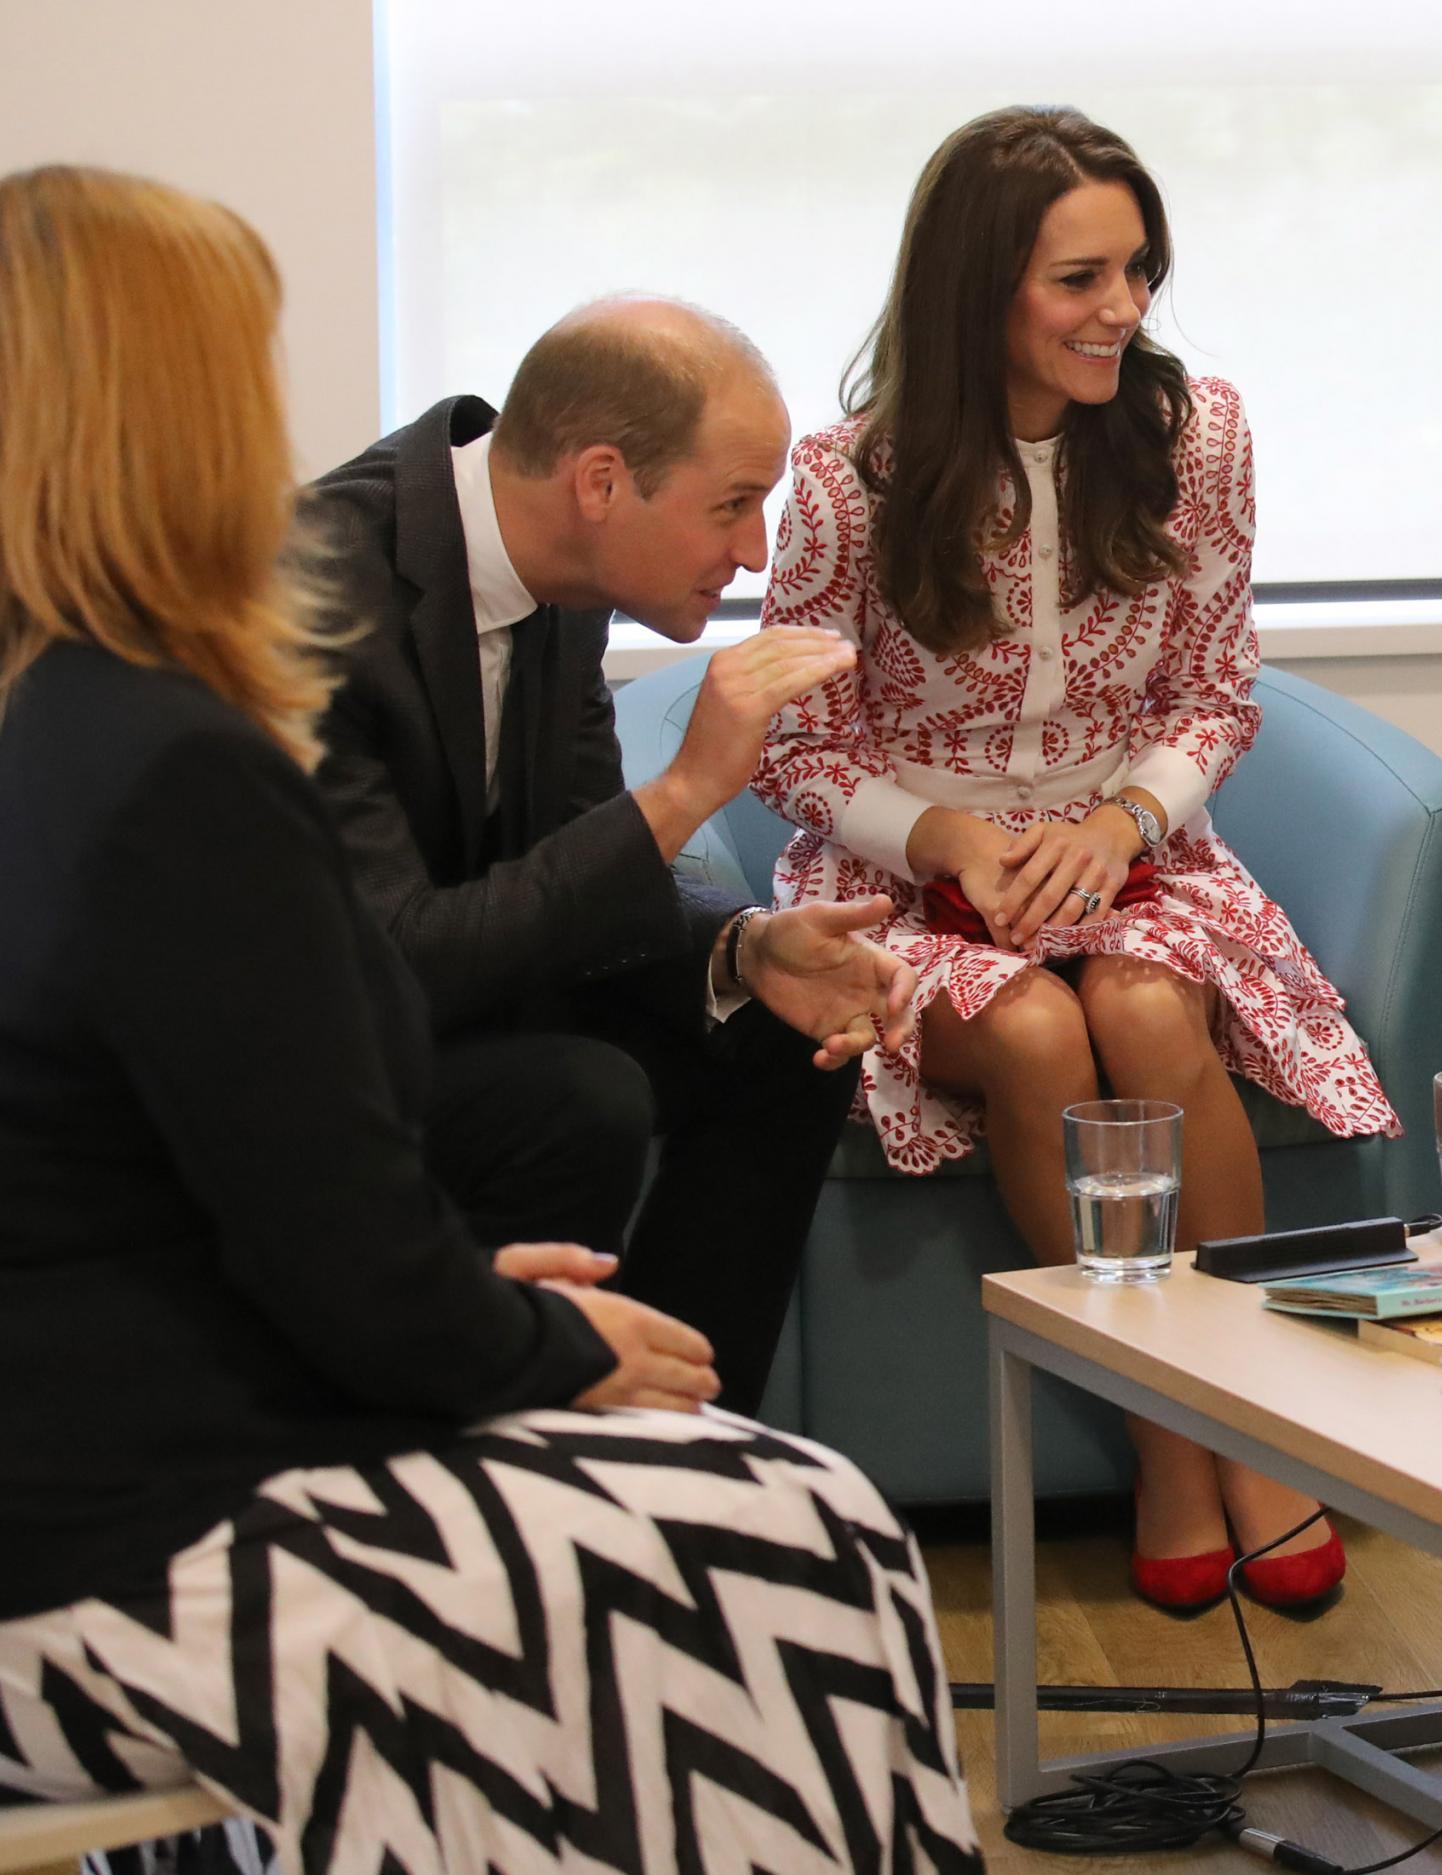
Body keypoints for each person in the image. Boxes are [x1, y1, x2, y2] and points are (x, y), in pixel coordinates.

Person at [0, 164, 980, 1874]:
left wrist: (743, 951)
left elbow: (158, 1176)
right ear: (174, 425)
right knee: (815, 1537)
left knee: (718, 1062)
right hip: (99, 1550)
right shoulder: (186, 753)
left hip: (109, 1414)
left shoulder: (58, 716)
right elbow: (348, 1099)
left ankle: (660, 1404)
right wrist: (511, 1339)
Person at [753, 107, 1399, 1612]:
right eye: (1080, 279)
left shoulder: (1199, 437)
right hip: (912, 875)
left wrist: (1121, 825)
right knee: (1039, 1028)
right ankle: (1168, 1434)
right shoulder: (848, 481)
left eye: (1139, 270)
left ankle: (1253, 1412)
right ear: (978, 289)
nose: (1126, 309)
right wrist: (953, 835)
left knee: (1150, 1011)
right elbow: (797, 746)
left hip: (1137, 848)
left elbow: (1217, 690)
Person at [305, 297, 917, 1414]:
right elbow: (398, 962)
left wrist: (744, 951)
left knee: (789, 1035)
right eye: (731, 507)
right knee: (578, 1094)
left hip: (470, 989)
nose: (753, 552)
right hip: (320, 1047)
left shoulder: (562, 577)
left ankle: (682, 1447)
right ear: (598, 481)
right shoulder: (321, 594)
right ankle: (525, 1454)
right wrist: (686, 791)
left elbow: (568, 855)